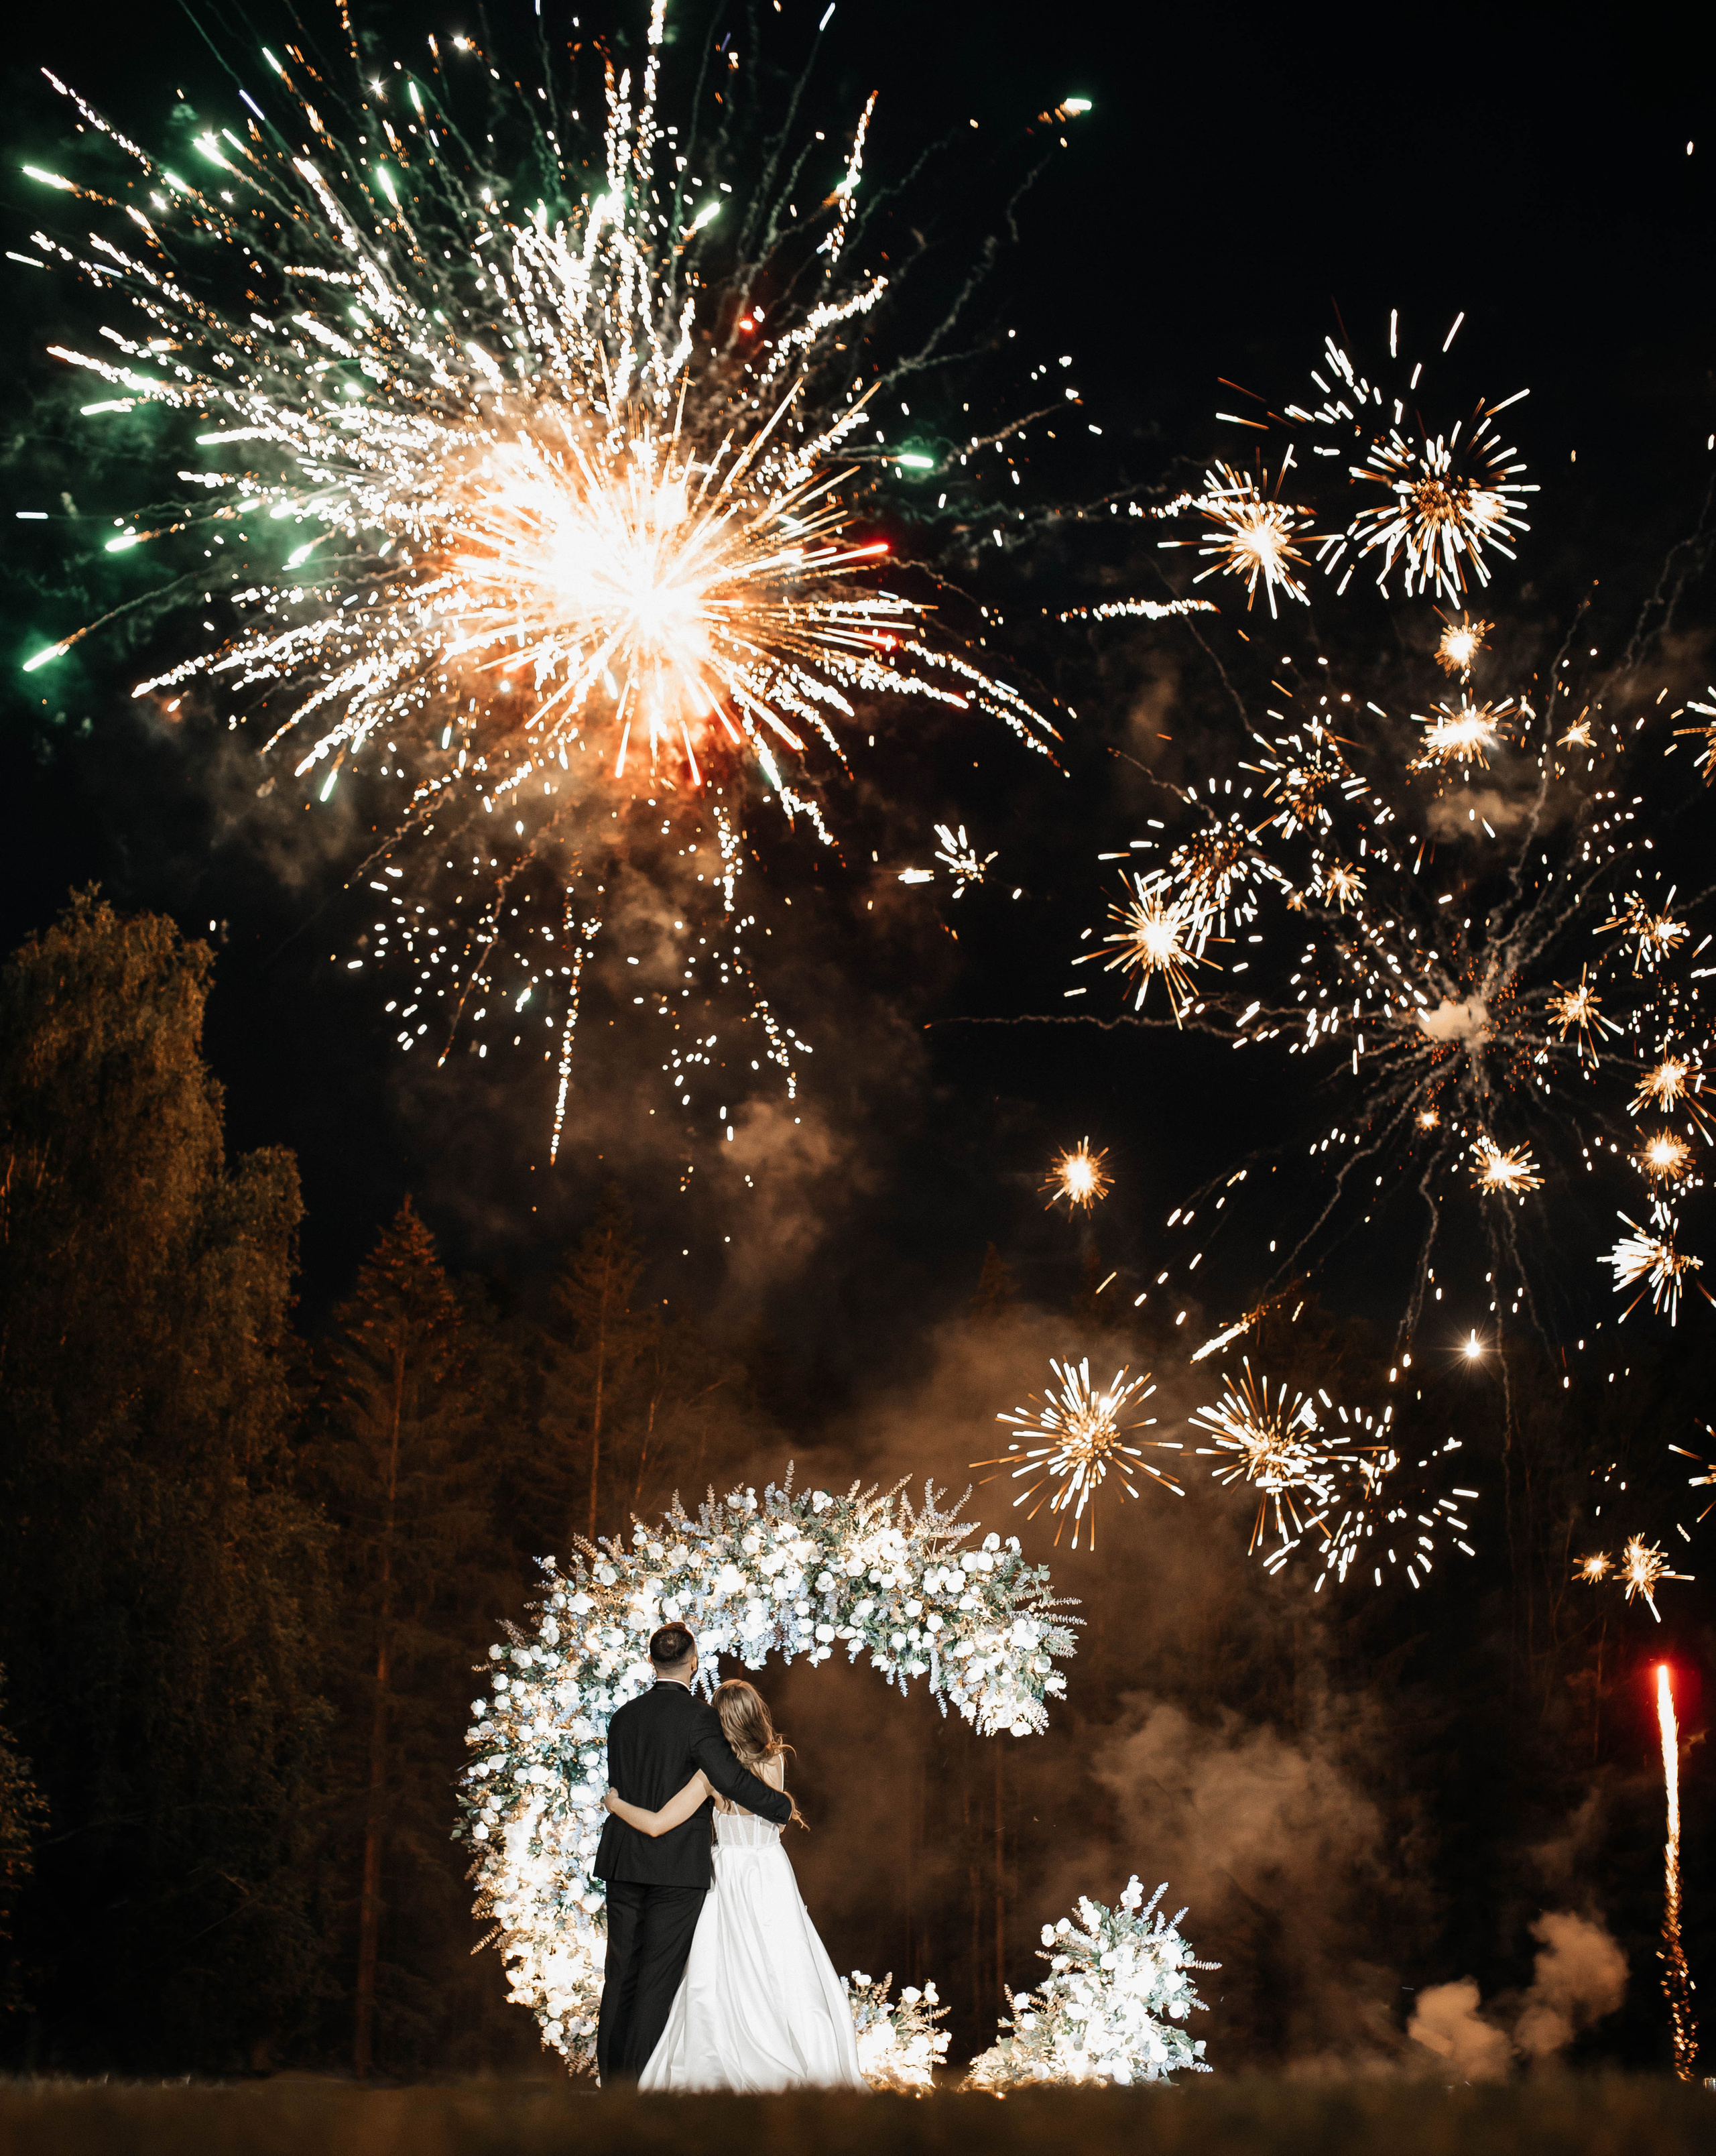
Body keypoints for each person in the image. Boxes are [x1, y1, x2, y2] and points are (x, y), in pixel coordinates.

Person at [602, 1672, 866, 2093]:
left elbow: (656, 1824)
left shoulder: (709, 1776)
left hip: (727, 1877)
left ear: (718, 1724)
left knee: (718, 1972)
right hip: (770, 1875)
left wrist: (615, 1804)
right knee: (784, 1968)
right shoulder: (776, 1760)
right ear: (757, 1715)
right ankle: (800, 2053)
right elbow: (774, 1827)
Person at [592, 1622, 795, 2084]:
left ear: (651, 1661)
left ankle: (612, 2084)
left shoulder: (623, 1716)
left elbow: (628, 1783)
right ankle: (639, 2086)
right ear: (694, 1661)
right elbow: (728, 1778)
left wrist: (618, 1806)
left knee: (620, 1973)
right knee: (656, 1978)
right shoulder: (699, 1718)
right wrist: (778, 1805)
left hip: (624, 1859)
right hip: (675, 1869)